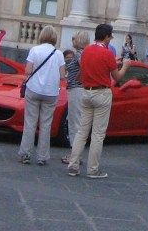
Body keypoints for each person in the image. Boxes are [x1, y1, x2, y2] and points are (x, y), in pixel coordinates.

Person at [66, 23, 130, 179]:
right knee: (97, 134)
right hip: (101, 93)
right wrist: (125, 66)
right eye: (110, 37)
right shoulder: (107, 53)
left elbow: (83, 72)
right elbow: (117, 77)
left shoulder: (86, 51)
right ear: (106, 37)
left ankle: (73, 165)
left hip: (86, 92)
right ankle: (92, 169)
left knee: (82, 131)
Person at [18, 26, 66, 165]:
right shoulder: (59, 54)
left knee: (30, 123)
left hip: (34, 89)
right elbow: (62, 76)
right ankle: (42, 157)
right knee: (46, 124)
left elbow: (28, 71)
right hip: (50, 92)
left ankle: (25, 154)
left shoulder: (35, 50)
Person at [61, 30, 89, 162]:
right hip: (79, 89)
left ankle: (75, 155)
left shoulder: (79, 54)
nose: (72, 41)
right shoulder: (84, 53)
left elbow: (84, 68)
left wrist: (78, 78)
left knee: (74, 122)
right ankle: (76, 154)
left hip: (76, 89)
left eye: (74, 38)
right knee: (77, 121)